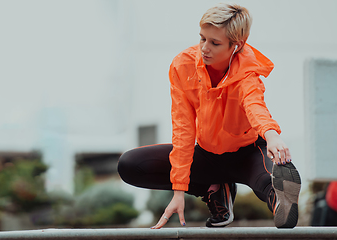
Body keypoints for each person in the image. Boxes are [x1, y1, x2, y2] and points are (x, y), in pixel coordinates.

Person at [117, 3, 301, 229]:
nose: (205, 48)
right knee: (130, 164)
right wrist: (179, 191)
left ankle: (279, 202)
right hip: (208, 156)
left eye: (215, 43)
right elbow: (184, 130)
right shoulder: (183, 66)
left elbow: (255, 106)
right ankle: (215, 189)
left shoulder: (247, 73)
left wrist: (272, 135)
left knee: (268, 182)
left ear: (237, 45)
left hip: (248, 153)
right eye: (202, 38)